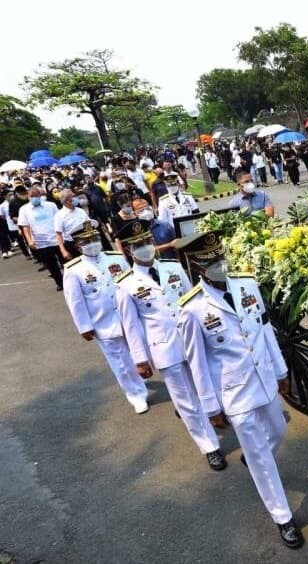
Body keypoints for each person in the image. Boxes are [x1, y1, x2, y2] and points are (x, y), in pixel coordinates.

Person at [176, 231, 303, 549]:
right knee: (260, 455)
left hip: (264, 380)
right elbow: (197, 363)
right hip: (234, 393)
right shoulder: (192, 309)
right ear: (198, 266)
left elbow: (264, 331)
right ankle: (283, 517)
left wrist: (281, 371)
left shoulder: (246, 284)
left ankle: (254, 460)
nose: (220, 264)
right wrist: (211, 407)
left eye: (221, 257)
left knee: (278, 432)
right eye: (212, 261)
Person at [114, 220, 227, 471]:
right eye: (138, 245)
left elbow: (193, 300)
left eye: (147, 242)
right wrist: (140, 359)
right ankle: (209, 446)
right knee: (186, 399)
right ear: (129, 251)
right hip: (165, 347)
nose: (145, 248)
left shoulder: (172, 267)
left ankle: (214, 414)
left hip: (193, 340)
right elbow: (131, 326)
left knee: (206, 384)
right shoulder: (126, 285)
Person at [62, 222, 150, 411]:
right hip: (104, 322)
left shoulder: (115, 258)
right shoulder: (73, 269)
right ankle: (135, 393)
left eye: (95, 239)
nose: (93, 243)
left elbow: (131, 283)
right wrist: (84, 327)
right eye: (87, 241)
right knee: (121, 362)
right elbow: (75, 301)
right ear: (78, 246)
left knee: (143, 351)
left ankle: (144, 375)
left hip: (129, 317)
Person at [18, 186, 64, 290]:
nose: (35, 198)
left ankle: (70, 282)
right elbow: (25, 227)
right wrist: (30, 241)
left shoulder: (50, 205)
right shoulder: (24, 210)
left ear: (40, 195)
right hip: (41, 242)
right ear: (28, 197)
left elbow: (59, 220)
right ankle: (59, 283)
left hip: (56, 239)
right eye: (32, 196)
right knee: (51, 265)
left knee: (65, 262)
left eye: (36, 196)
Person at [54, 189, 91, 261]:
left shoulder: (80, 211)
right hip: (72, 245)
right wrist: (63, 251)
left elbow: (88, 224)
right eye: (72, 197)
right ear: (66, 200)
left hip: (87, 241)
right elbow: (58, 234)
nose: (75, 198)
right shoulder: (59, 215)